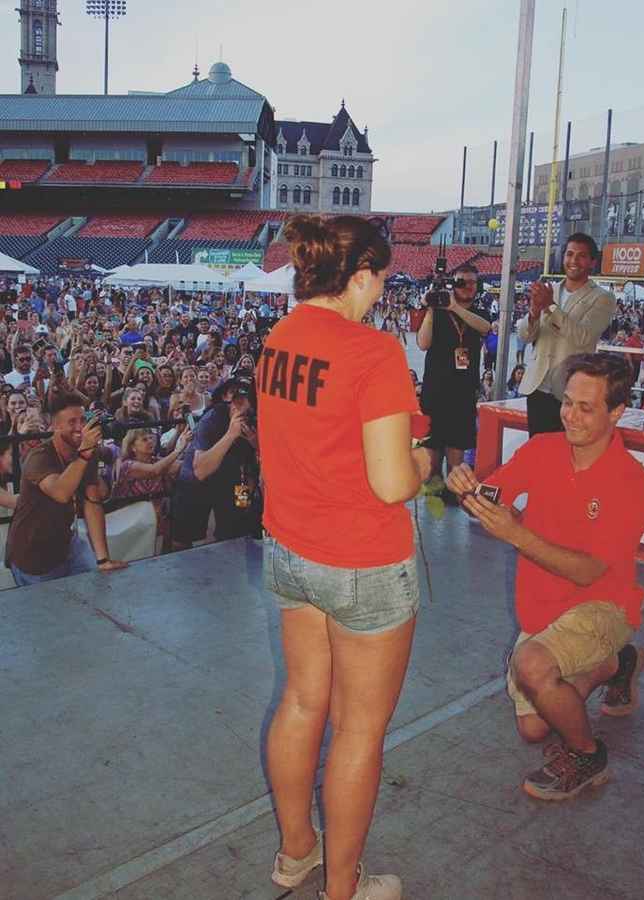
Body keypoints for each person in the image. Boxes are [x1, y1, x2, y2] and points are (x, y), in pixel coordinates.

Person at [258, 214, 432, 900]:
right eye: (380, 281)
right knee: (358, 730)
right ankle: (344, 889)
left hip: (291, 552)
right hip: (362, 562)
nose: (380, 295)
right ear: (359, 276)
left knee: (301, 703)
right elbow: (392, 481)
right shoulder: (374, 352)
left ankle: (297, 852)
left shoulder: (280, 336)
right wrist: (421, 459)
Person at [447, 353, 644, 801]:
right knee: (534, 727)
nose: (570, 415)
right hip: (542, 610)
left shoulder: (630, 481)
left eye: (586, 407)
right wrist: (467, 488)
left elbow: (588, 572)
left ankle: (586, 754)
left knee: (535, 667)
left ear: (616, 412)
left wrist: (516, 533)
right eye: (568, 402)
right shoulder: (542, 449)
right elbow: (493, 495)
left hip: (603, 603)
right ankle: (619, 664)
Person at [5, 392, 128, 586]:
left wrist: (103, 560)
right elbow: (61, 493)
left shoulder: (86, 452)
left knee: (97, 594)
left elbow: (92, 502)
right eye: (72, 422)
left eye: (82, 420)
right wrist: (85, 455)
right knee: (51, 615)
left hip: (67, 546)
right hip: (32, 556)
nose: (80, 427)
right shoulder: (39, 457)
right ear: (55, 426)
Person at [516, 234, 616, 437]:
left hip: (571, 391)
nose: (573, 261)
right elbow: (525, 336)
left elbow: (583, 337)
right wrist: (534, 313)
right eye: (569, 254)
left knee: (564, 459)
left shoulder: (603, 298)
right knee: (538, 456)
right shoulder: (549, 289)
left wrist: (550, 306)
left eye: (581, 256)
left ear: (592, 262)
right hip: (538, 388)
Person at [417, 263, 491, 479]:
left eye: (472, 282)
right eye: (461, 282)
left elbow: (485, 327)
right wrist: (431, 307)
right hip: (435, 393)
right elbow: (423, 343)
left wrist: (454, 308)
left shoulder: (479, 312)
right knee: (431, 463)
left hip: (463, 394)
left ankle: (452, 501)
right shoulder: (437, 313)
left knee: (456, 462)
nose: (467, 286)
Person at [171, 375, 260, 547]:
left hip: (232, 481)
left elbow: (252, 465)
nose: (240, 406)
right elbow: (200, 471)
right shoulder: (213, 417)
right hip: (195, 483)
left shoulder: (254, 419)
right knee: (184, 540)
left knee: (234, 532)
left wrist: (255, 443)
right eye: (236, 400)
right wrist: (231, 434)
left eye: (246, 400)